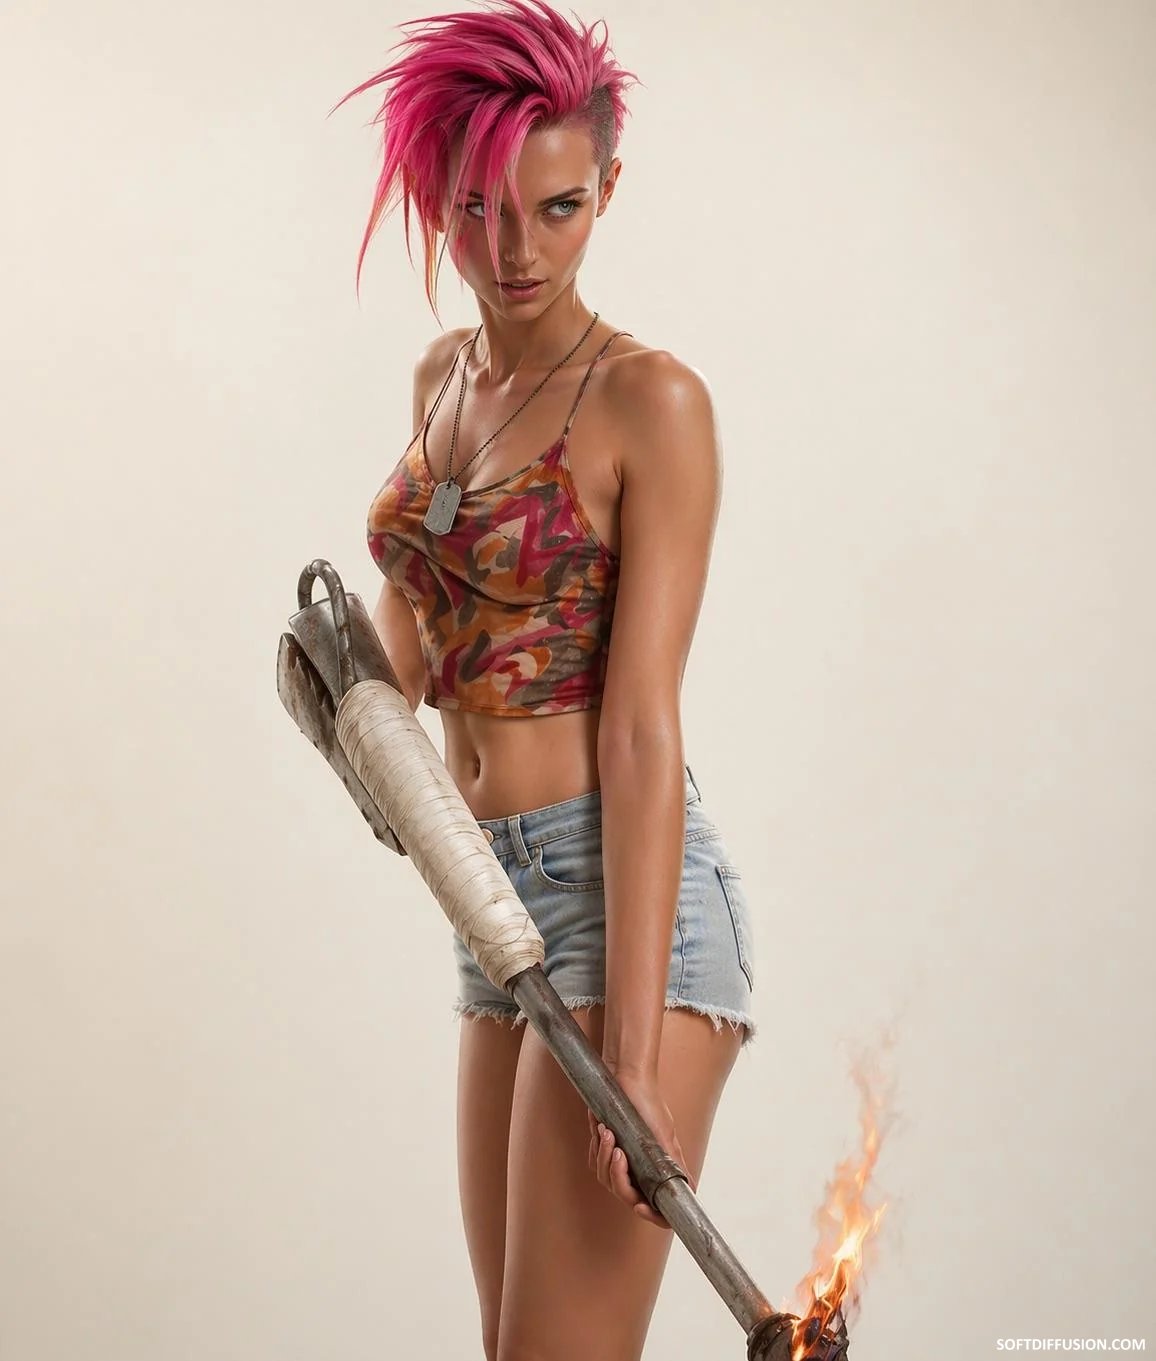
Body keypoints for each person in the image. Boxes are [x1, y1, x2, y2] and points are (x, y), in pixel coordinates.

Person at [334, 3, 757, 1356]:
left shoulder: (651, 402)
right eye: (477, 211)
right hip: (487, 898)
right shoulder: (442, 377)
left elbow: (639, 732)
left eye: (557, 209)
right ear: (435, 199)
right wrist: (344, 688)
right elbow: (425, 635)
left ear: (607, 190)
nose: (515, 251)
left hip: (622, 906)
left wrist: (632, 1053)